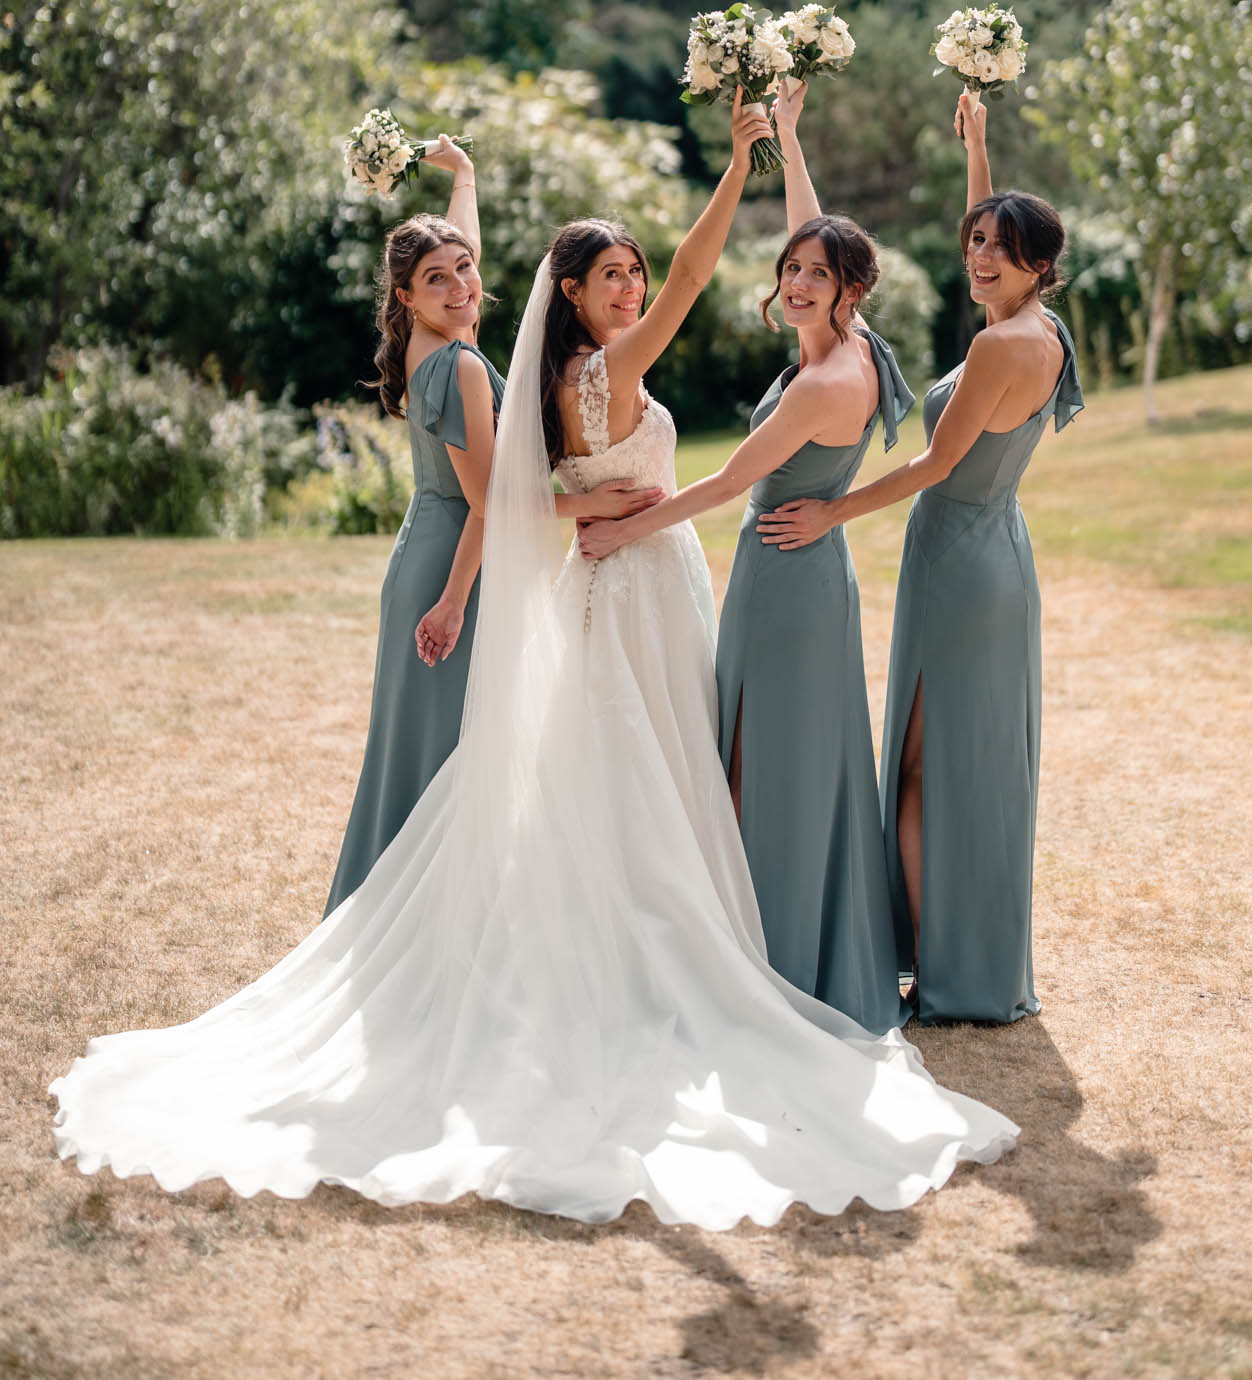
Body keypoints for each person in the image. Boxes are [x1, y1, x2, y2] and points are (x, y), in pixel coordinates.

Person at [51, 93, 1015, 1228]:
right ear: (571, 295)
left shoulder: (578, 371)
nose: (633, 291)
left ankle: (703, 925)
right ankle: (648, 948)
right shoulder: (592, 375)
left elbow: (566, 435)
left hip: (656, 580)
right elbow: (573, 429)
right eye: (611, 277)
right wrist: (736, 171)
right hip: (626, 581)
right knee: (636, 768)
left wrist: (586, 484)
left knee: (672, 759)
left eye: (632, 276)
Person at [580, 78, 909, 1031]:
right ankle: (756, 939)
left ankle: (786, 961)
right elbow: (823, 230)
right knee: (762, 751)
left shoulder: (827, 378)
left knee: (781, 763)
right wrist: (790, 143)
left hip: (788, 567)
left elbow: (728, 483)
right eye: (792, 268)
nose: (797, 281)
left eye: (817, 275)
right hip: (789, 565)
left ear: (849, 292)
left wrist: (622, 529)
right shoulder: (845, 340)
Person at [759, 91, 1083, 1024]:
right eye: (974, 240)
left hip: (960, 561)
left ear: (1038, 266)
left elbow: (937, 463)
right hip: (990, 549)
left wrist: (833, 513)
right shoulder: (1037, 327)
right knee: (957, 761)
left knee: (930, 768)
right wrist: (979, 148)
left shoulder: (1001, 349)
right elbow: (999, 252)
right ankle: (944, 950)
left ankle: (952, 969)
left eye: (995, 248)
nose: (977, 256)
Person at [326, 140, 658, 914]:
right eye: (436, 280)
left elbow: (455, 260)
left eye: (465, 270)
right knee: (449, 752)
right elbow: (491, 499)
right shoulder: (463, 364)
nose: (461, 285)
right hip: (454, 570)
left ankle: (402, 911)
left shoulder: (430, 346)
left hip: (434, 549)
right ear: (405, 297)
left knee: (426, 746)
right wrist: (589, 507)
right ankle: (419, 920)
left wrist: (464, 177)